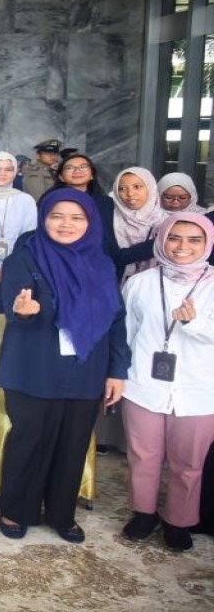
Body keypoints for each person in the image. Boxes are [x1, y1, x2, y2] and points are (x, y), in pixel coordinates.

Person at [0, 188, 128, 543]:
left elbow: (116, 321)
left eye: (77, 217)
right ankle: (16, 509)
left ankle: (61, 513)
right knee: (29, 439)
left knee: (74, 442)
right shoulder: (24, 259)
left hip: (87, 370)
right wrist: (22, 312)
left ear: (90, 222)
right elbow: (12, 304)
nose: (66, 224)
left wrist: (117, 371)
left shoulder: (101, 263)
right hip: (32, 366)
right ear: (44, 218)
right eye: (57, 216)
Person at [119, 212, 214, 552]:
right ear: (162, 240)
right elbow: (126, 334)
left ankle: (179, 520)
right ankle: (144, 513)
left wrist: (196, 324)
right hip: (143, 385)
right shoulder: (141, 282)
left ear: (207, 244)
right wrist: (116, 376)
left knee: (188, 464)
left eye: (194, 240)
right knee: (143, 456)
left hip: (199, 391)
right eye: (175, 238)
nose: (182, 246)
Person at [54, 153, 153, 280]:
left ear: (92, 175)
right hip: (63, 265)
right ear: (61, 176)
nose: (77, 171)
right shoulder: (50, 202)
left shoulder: (105, 202)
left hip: (100, 268)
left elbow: (109, 243)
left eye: (83, 167)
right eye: (70, 168)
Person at [0, 153, 38, 313]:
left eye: (8, 169)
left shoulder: (25, 200)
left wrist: (9, 270)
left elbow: (28, 238)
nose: (2, 173)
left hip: (13, 270)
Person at [111, 167, 166, 279]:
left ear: (150, 187)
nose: (130, 193)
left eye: (137, 187)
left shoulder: (167, 223)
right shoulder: (108, 218)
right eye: (122, 188)